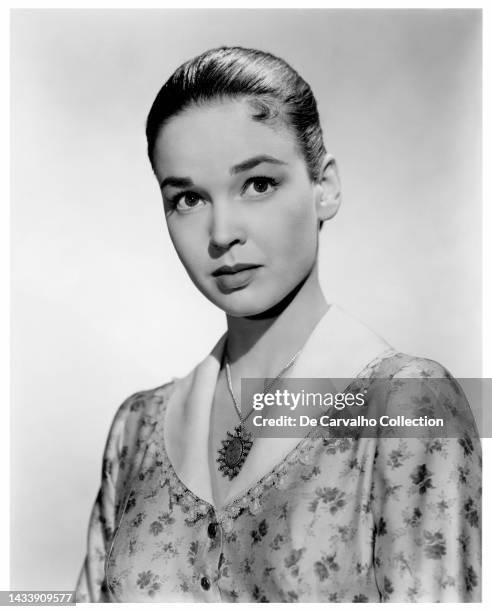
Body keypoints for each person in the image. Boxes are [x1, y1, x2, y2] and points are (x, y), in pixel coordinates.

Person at [75, 46, 481, 603]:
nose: (222, 233)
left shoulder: (406, 404)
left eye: (258, 184)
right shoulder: (137, 430)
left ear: (325, 187)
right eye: (188, 198)